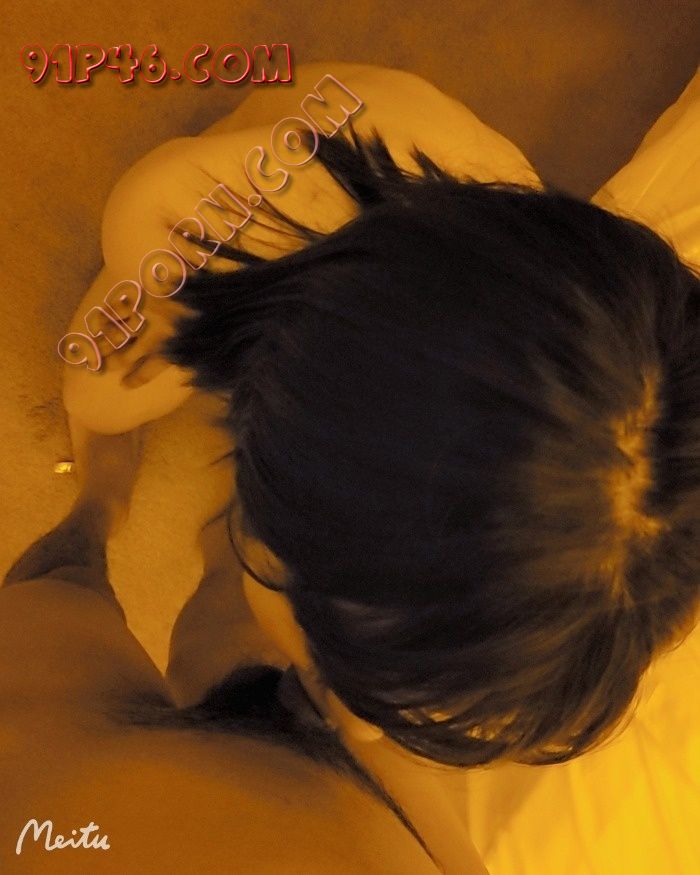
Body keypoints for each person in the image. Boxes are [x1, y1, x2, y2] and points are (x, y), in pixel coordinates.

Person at [2, 62, 699, 872]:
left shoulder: (488, 222)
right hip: (252, 245)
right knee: (100, 386)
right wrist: (176, 339)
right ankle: (102, 493)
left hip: (372, 241)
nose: (362, 725)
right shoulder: (191, 215)